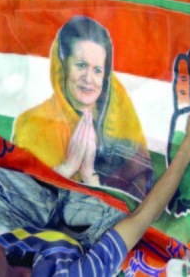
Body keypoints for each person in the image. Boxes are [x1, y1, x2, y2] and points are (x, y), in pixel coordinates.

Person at [0, 94, 190, 277]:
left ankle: (64, 193)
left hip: (41, 228)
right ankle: (76, 193)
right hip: (85, 242)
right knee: (128, 194)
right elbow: (142, 218)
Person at [14, 16, 154, 199]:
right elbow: (21, 203)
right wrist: (65, 170)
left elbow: (141, 188)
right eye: (81, 65)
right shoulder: (31, 125)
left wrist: (90, 179)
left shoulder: (119, 115)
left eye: (97, 70)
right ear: (63, 65)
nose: (88, 79)